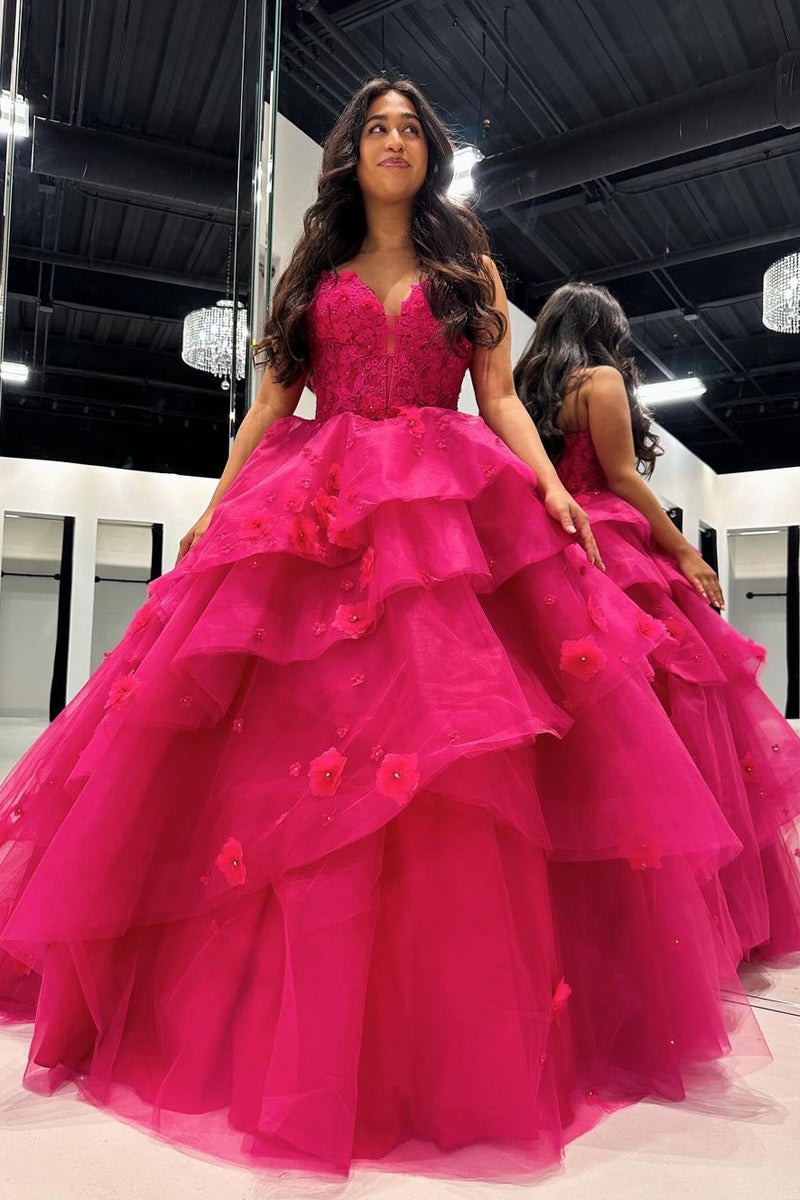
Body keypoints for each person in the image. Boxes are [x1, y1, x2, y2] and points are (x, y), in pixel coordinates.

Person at [0, 81, 762, 1180]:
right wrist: (218, 503)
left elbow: (500, 399)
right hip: (318, 497)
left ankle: (437, 1018)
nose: (392, 141)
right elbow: (272, 402)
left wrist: (550, 487)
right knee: (294, 732)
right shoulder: (313, 270)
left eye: (408, 129)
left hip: (448, 502)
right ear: (351, 153)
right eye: (375, 128)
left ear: (428, 152)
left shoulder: (468, 269)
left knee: (455, 752)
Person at [515, 280, 800, 965]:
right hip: (611, 549)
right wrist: (685, 552)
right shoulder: (601, 379)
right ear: (605, 330)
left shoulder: (527, 393)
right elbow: (620, 476)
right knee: (674, 712)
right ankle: (687, 913)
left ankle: (588, 920)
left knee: (586, 725)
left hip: (547, 549)